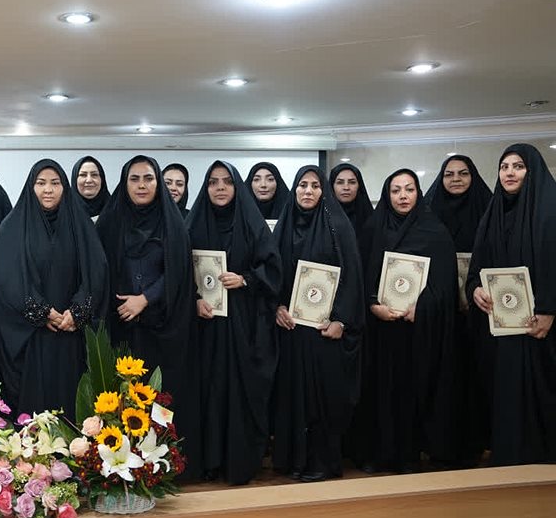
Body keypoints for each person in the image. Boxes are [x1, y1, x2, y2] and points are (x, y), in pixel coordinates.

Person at [95, 155, 200, 477]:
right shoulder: (109, 222)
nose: (142, 185)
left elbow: (178, 271)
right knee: (121, 401)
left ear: (158, 183)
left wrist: (145, 299)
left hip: (163, 328)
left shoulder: (173, 223)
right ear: (124, 183)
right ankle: (122, 469)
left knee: (161, 398)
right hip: (120, 328)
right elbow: (98, 268)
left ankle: (163, 468)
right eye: (135, 179)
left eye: (148, 179)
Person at [353, 169, 458, 473]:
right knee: (378, 391)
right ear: (387, 195)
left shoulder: (434, 231)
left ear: (418, 193)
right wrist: (372, 305)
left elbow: (445, 285)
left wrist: (421, 308)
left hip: (416, 331)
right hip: (379, 330)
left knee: (410, 391)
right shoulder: (372, 229)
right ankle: (379, 453)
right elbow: (360, 276)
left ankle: (409, 455)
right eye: (396, 190)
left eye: (409, 189)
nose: (402, 196)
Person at [187, 161, 281, 484]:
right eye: (213, 182)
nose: (220, 188)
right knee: (209, 391)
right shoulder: (192, 225)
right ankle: (209, 460)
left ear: (237, 186)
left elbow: (273, 269)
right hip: (206, 327)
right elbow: (178, 270)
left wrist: (245, 280)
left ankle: (239, 462)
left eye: (227, 182)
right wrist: (194, 299)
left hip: (244, 326)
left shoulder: (253, 225)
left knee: (241, 392)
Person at [270, 166, 365, 481]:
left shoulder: (339, 226)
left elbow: (352, 277)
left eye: (314, 185)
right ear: (294, 190)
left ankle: (321, 463)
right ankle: (292, 460)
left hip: (324, 333)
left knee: (322, 398)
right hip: (291, 330)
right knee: (292, 397)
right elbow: (271, 274)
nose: (308, 191)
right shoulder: (283, 227)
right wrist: (276, 306)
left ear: (324, 191)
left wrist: (342, 320)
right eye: (302, 185)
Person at [0, 159, 108, 415]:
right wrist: (41, 311)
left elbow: (96, 272)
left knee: (74, 406)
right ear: (30, 186)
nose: (48, 189)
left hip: (72, 333)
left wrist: (77, 312)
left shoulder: (81, 224)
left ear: (65, 187)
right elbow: (6, 278)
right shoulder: (12, 226)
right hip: (33, 336)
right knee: (37, 412)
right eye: (41, 183)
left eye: (55, 183)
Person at [467, 144, 555, 465]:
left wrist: (549, 310)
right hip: (502, 328)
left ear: (532, 171)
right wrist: (475, 289)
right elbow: (478, 266)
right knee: (506, 391)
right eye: (504, 167)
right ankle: (509, 459)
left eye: (518, 166)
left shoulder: (550, 211)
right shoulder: (492, 215)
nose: (509, 173)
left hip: (541, 328)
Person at [425, 155, 493, 465]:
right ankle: (439, 444)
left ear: (473, 177)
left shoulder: (489, 212)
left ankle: (477, 442)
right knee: (443, 376)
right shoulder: (428, 213)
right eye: (449, 174)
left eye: (463, 173)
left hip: (480, 313)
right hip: (440, 316)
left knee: (476, 377)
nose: (456, 179)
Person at [328, 163, 374, 239]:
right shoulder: (322, 218)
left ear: (359, 186)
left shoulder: (371, 219)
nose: (346, 187)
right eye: (340, 182)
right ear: (332, 186)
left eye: (352, 182)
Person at [70, 155, 110, 221]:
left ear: (102, 179)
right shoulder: (64, 212)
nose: (89, 180)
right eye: (83, 175)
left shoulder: (115, 210)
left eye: (94, 175)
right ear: (75, 180)